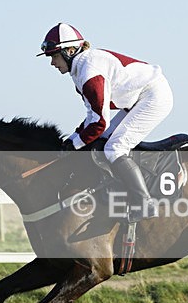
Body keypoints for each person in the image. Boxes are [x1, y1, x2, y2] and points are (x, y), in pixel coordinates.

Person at [37, 22, 174, 222]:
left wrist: (74, 145)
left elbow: (100, 123)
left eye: (54, 56)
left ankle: (145, 203)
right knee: (103, 142)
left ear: (71, 50)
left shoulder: (89, 72)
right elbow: (93, 117)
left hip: (153, 96)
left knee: (114, 148)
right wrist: (72, 139)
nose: (52, 63)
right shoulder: (79, 70)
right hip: (137, 99)